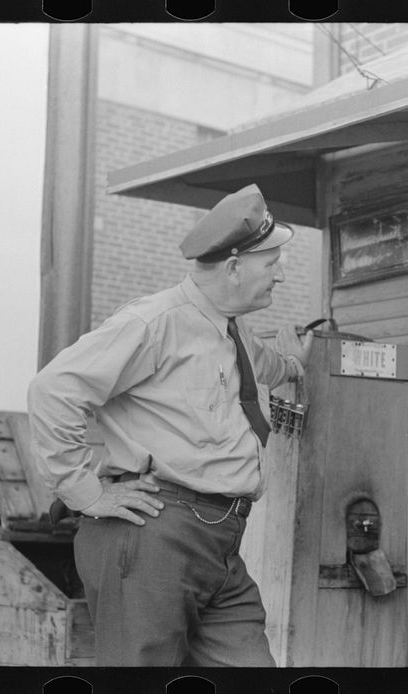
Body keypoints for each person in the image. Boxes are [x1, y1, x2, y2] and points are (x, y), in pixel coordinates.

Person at [27, 183, 313, 667]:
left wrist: (292, 365)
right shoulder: (153, 322)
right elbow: (53, 390)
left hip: (220, 541)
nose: (281, 276)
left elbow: (257, 365)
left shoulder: (229, 326)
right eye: (272, 263)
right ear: (235, 267)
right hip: (154, 536)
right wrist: (85, 492)